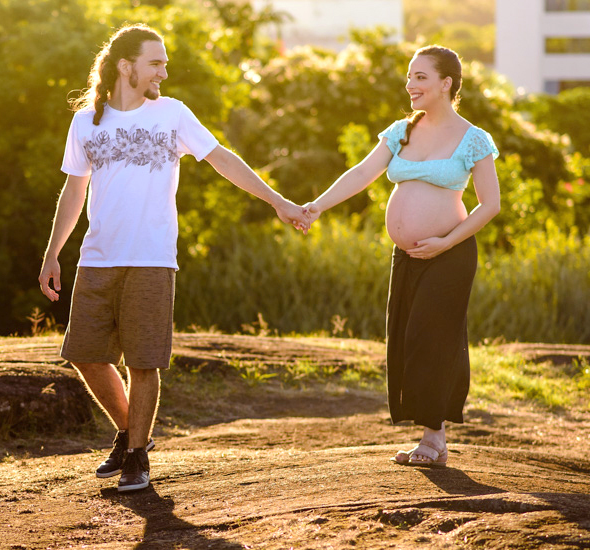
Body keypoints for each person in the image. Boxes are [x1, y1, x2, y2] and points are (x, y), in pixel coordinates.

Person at [39, 23, 309, 492]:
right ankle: (129, 431)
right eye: (155, 63)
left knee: (144, 362)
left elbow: (223, 158)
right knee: (83, 354)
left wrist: (278, 202)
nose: (165, 71)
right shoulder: (86, 122)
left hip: (151, 257)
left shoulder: (172, 115)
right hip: (97, 258)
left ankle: (138, 456)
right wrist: (52, 253)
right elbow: (73, 189)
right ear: (126, 67)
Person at [302, 45, 500, 468]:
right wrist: (317, 206)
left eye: (421, 77)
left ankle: (434, 440)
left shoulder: (474, 139)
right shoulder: (402, 131)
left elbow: (490, 205)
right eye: (409, 77)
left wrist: (445, 243)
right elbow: (361, 173)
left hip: (449, 255)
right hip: (407, 254)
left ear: (446, 83)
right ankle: (430, 437)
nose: (410, 85)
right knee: (406, 337)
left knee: (432, 338)